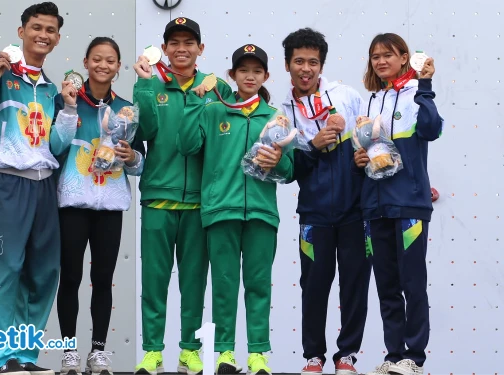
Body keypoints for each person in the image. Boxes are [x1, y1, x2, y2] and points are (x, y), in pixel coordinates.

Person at [0, 2, 78, 375]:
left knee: (43, 274)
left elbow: (56, 147)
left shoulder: (50, 88)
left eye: (50, 30)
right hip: (10, 184)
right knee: (9, 270)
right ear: (22, 30)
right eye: (36, 27)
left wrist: (70, 110)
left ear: (57, 39)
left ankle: (25, 359)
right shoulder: (0, 71)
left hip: (45, 188)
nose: (43, 34)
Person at [178, 43, 293, 375]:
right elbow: (186, 145)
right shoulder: (214, 110)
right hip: (221, 212)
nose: (250, 76)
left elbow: (289, 171)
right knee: (224, 286)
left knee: (258, 285)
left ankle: (258, 354)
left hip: (261, 213)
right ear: (232, 75)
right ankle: (224, 353)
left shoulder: (275, 117)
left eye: (257, 71)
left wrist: (279, 161)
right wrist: (197, 100)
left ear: (266, 76)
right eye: (243, 70)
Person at [131, 17, 233, 375]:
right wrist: (144, 86)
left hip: (200, 203)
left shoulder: (217, 86)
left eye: (189, 42)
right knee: (154, 283)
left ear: (200, 49)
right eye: (174, 42)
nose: (181, 49)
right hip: (158, 196)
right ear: (164, 48)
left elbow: (229, 138)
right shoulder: (151, 84)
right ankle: (151, 351)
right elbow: (143, 131)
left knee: (194, 282)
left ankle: (190, 348)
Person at [53, 37, 148, 375]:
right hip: (73, 202)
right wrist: (67, 109)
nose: (103, 65)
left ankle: (98, 352)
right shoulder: (67, 100)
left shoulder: (127, 109)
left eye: (110, 60)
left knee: (103, 278)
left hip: (109, 204)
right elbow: (55, 146)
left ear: (118, 67)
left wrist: (132, 156)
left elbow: (139, 165)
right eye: (96, 59)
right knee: (70, 277)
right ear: (85, 61)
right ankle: (68, 352)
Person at [280, 28, 371, 375]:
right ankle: (313, 356)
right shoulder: (282, 113)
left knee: (355, 284)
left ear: (322, 65)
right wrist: (313, 145)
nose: (306, 69)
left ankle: (347, 355)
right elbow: (287, 172)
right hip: (314, 212)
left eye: (313, 62)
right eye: (299, 61)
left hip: (355, 209)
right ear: (288, 65)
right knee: (313, 285)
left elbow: (370, 140)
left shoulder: (346, 95)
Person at [355, 33, 442, 375]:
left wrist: (426, 84)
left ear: (404, 57)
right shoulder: (370, 101)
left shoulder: (415, 96)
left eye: (387, 55)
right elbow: (359, 155)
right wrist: (358, 160)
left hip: (408, 206)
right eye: (375, 56)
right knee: (387, 286)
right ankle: (394, 355)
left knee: (412, 283)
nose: (380, 61)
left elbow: (432, 130)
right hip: (375, 208)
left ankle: (414, 358)